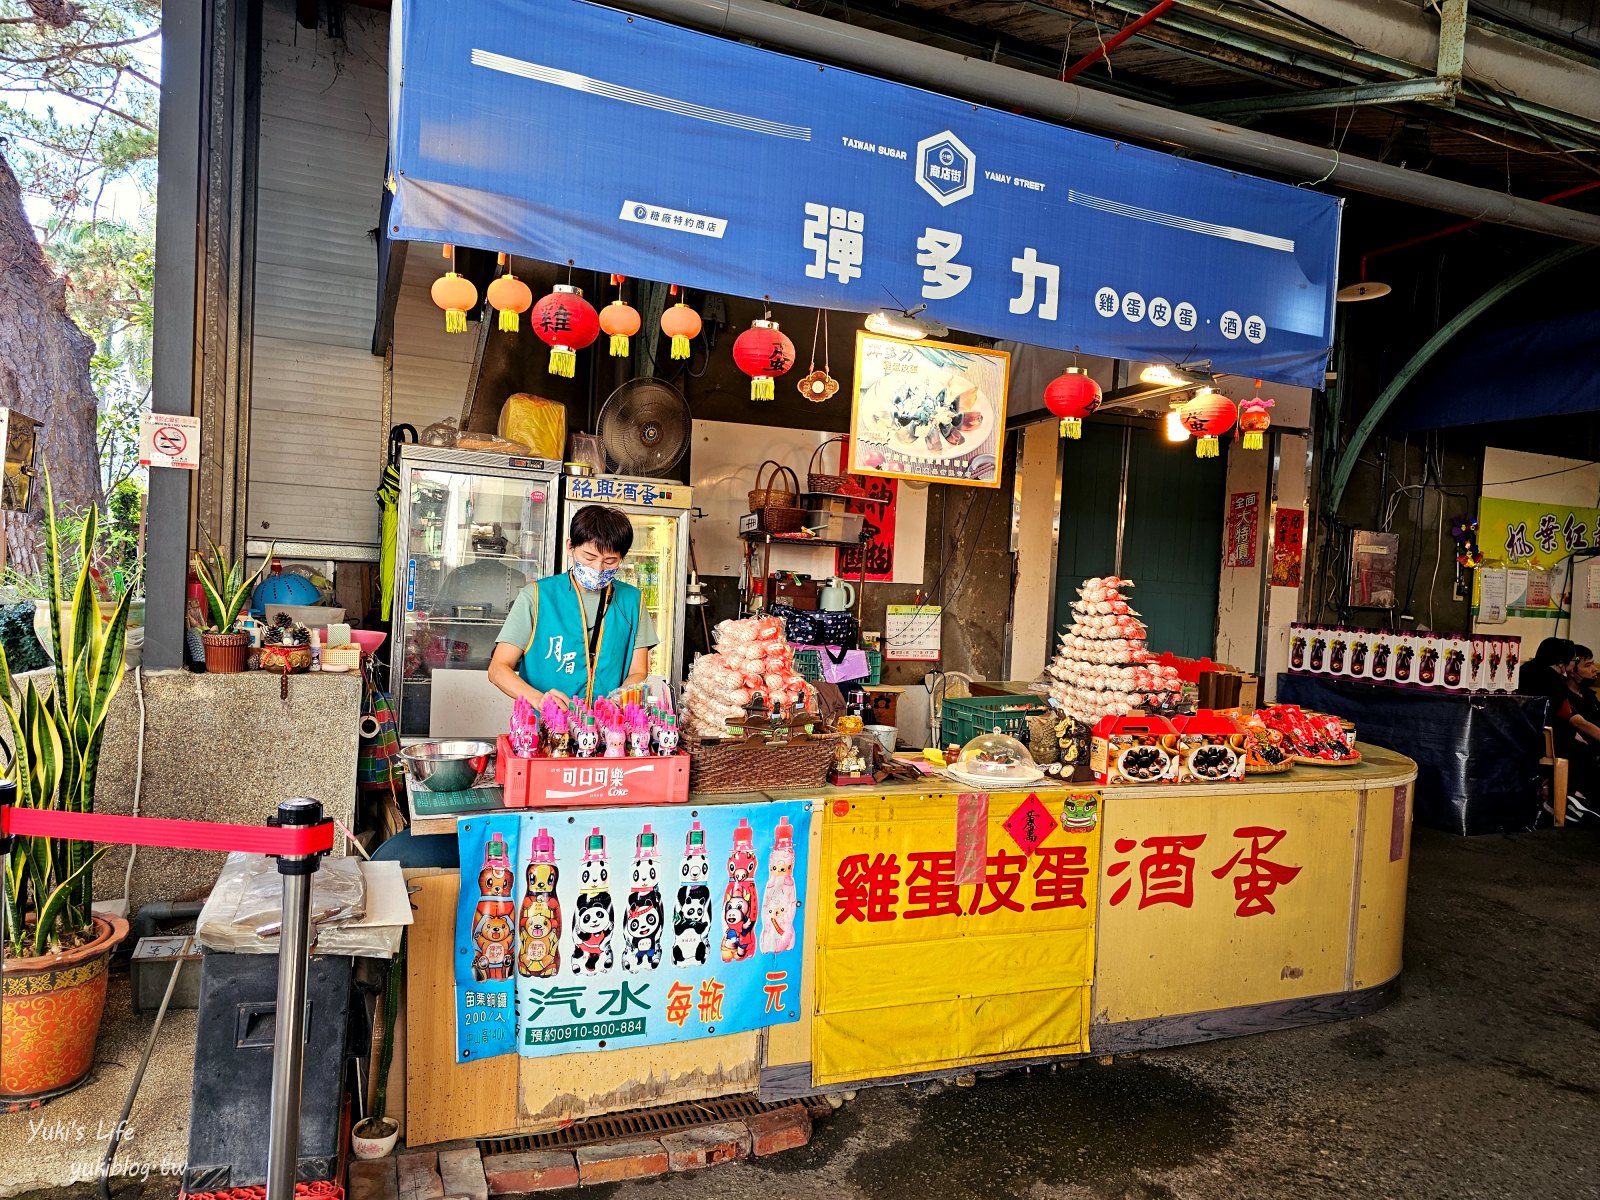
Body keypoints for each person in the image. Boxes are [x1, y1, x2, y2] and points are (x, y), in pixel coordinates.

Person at [488, 505, 657, 709]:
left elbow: (638, 672)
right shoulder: (536, 596)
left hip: (608, 731)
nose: (598, 568)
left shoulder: (632, 601)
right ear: (570, 547)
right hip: (544, 728)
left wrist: (617, 701)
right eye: (589, 557)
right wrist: (538, 700)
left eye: (610, 561)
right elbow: (498, 669)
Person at [1520, 636, 1600, 820]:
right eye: (1573, 661)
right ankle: (1572, 799)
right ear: (1562, 662)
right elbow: (1574, 720)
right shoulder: (1552, 681)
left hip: (1519, 736)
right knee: (1584, 751)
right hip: (1541, 741)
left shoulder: (1525, 670)